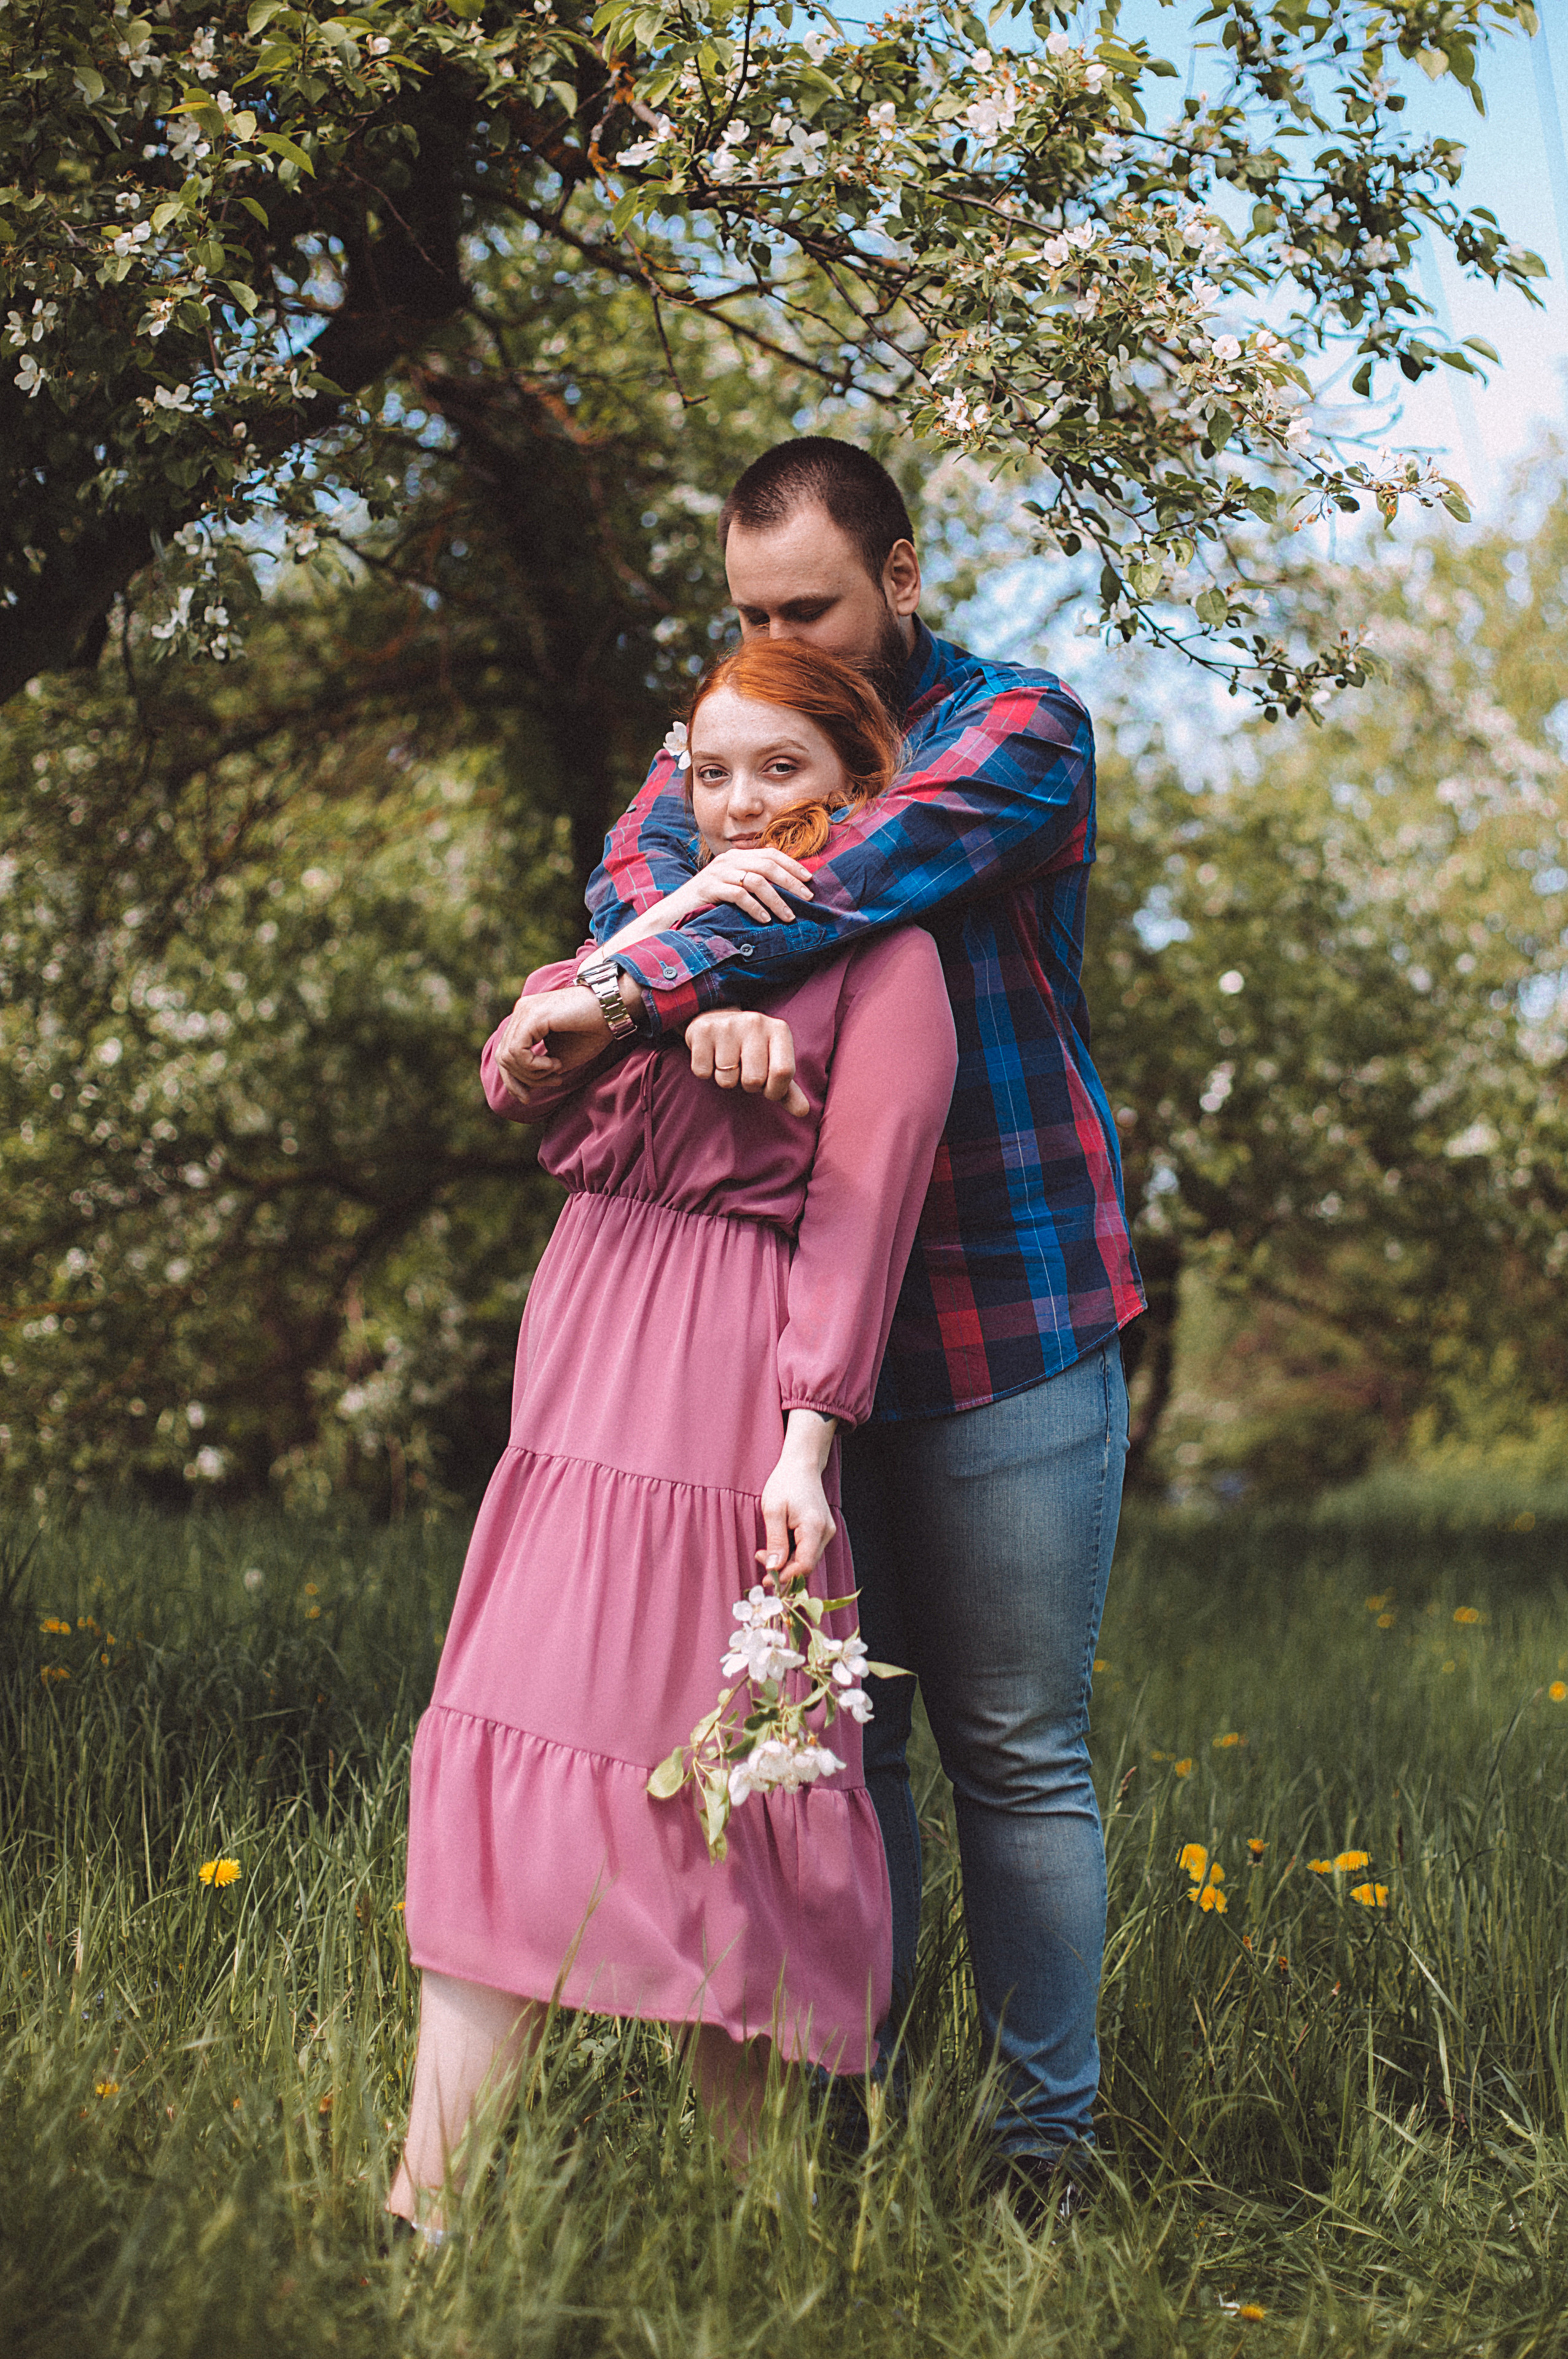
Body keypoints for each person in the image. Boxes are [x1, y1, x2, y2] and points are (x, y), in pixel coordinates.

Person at [577, 439, 1145, 2210]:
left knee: (1016, 1748)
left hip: (1009, 1307)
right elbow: (628, 878)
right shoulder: (740, 740)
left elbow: (830, 876)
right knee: (843, 1743)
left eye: (809, 607)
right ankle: (862, 2116)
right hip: (797, 1329)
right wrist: (655, 977)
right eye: (747, 614)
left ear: (900, 579)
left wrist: (629, 996)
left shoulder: (1020, 731)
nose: (780, 645)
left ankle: (1048, 2153)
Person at [389, 641, 957, 2234]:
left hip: (734, 1390)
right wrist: (655, 943)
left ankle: (764, 2235)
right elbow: (517, 1075)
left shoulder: (890, 965)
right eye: (715, 771)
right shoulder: (668, 930)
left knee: (724, 1795)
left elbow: (864, 1220)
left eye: (783, 768)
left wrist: (806, 1446)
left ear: (854, 783)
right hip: (582, 1364)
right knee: (518, 1728)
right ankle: (423, 2213)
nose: (745, 801)